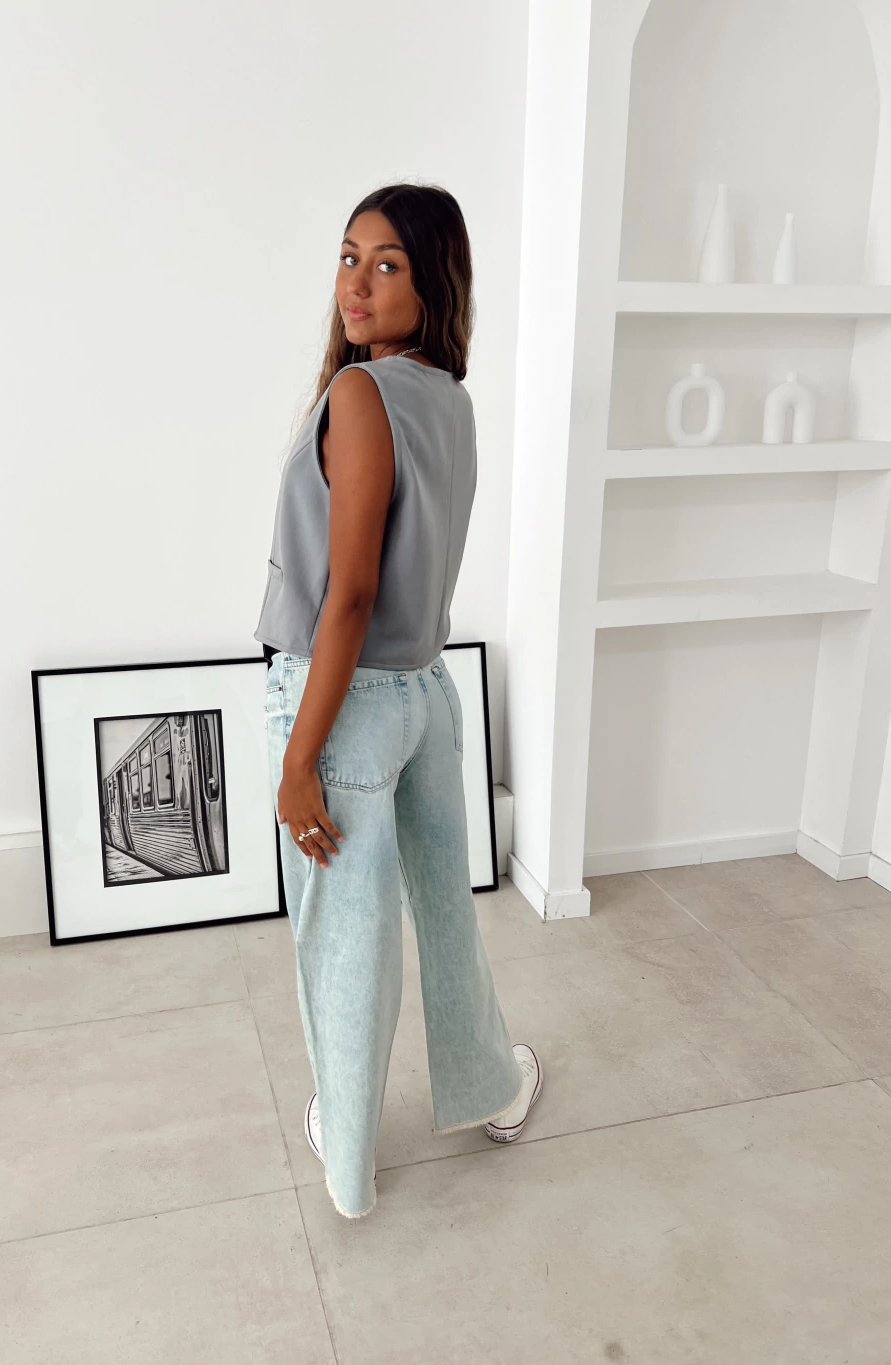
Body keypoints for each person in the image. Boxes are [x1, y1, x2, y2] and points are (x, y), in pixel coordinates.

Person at [253, 182, 542, 1220]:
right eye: (348, 257)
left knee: (349, 937)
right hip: (427, 689)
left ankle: (348, 1161)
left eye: (387, 264)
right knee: (442, 912)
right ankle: (490, 1085)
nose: (358, 283)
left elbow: (350, 594)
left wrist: (300, 760)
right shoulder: (446, 398)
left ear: (433, 284)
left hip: (347, 709)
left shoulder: (361, 395)